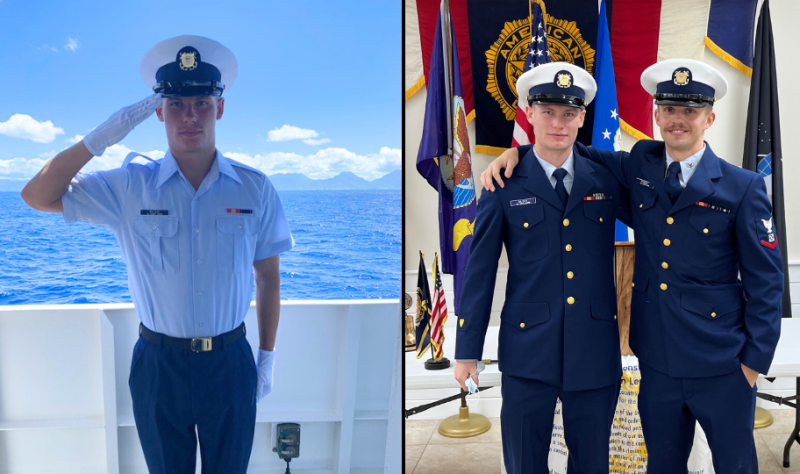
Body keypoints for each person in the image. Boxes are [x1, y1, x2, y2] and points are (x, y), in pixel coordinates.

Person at [482, 58, 783, 473]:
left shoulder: (742, 186)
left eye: (690, 111)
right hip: (657, 361)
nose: (678, 120)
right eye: (669, 110)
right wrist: (515, 153)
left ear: (709, 118)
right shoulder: (641, 164)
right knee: (662, 464)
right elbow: (565, 146)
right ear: (656, 114)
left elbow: (767, 282)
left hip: (723, 362)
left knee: (735, 466)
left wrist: (753, 362)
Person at [20, 35, 294, 473]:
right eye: (178, 104)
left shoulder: (254, 187)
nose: (191, 116)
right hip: (158, 366)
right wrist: (96, 141)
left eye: (202, 102)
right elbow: (36, 194)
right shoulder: (128, 186)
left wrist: (267, 356)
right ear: (159, 111)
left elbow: (269, 278)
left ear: (219, 108)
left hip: (229, 362)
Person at [454, 62, 630, 474]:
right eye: (547, 112)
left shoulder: (605, 178)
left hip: (594, 349)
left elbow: (658, 211)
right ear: (528, 113)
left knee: (592, 465)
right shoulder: (503, 184)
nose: (558, 123)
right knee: (524, 464)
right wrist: (467, 350)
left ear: (583, 118)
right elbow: (479, 273)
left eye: (569, 113)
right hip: (527, 351)